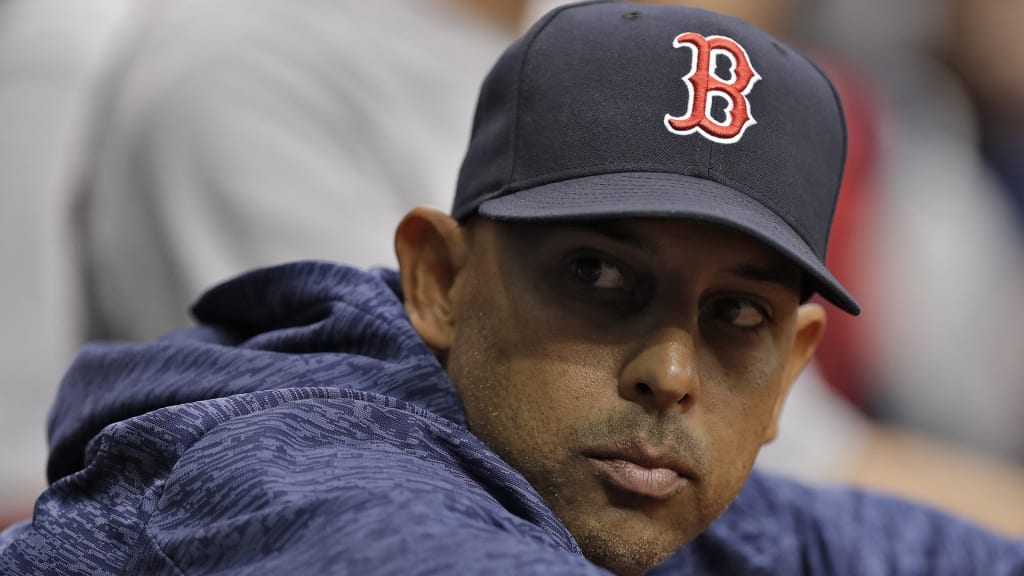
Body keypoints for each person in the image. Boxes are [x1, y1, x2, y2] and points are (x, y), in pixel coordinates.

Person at [2, 2, 1022, 574]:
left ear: (792, 367)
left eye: (734, 317)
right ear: (438, 280)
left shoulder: (638, 491)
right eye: (597, 275)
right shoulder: (311, 460)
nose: (670, 371)